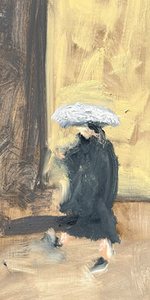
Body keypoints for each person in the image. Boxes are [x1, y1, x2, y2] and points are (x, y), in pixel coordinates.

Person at [50, 103, 120, 273]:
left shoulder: (104, 148)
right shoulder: (83, 144)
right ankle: (61, 241)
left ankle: (104, 257)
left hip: (97, 194)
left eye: (83, 128)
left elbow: (107, 173)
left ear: (92, 129)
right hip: (84, 194)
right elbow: (74, 160)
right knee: (81, 220)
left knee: (99, 225)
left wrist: (98, 192)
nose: (81, 131)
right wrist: (63, 157)